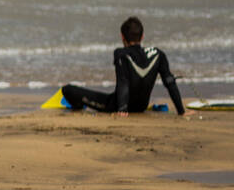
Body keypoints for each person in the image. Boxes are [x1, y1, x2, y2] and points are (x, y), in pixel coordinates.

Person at [61, 16, 192, 117]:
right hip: (141, 107)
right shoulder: (158, 54)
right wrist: (181, 111)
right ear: (142, 36)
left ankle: (77, 106)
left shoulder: (121, 54)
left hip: (116, 105)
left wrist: (122, 109)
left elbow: (123, 81)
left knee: (68, 90)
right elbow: (169, 82)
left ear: (122, 37)